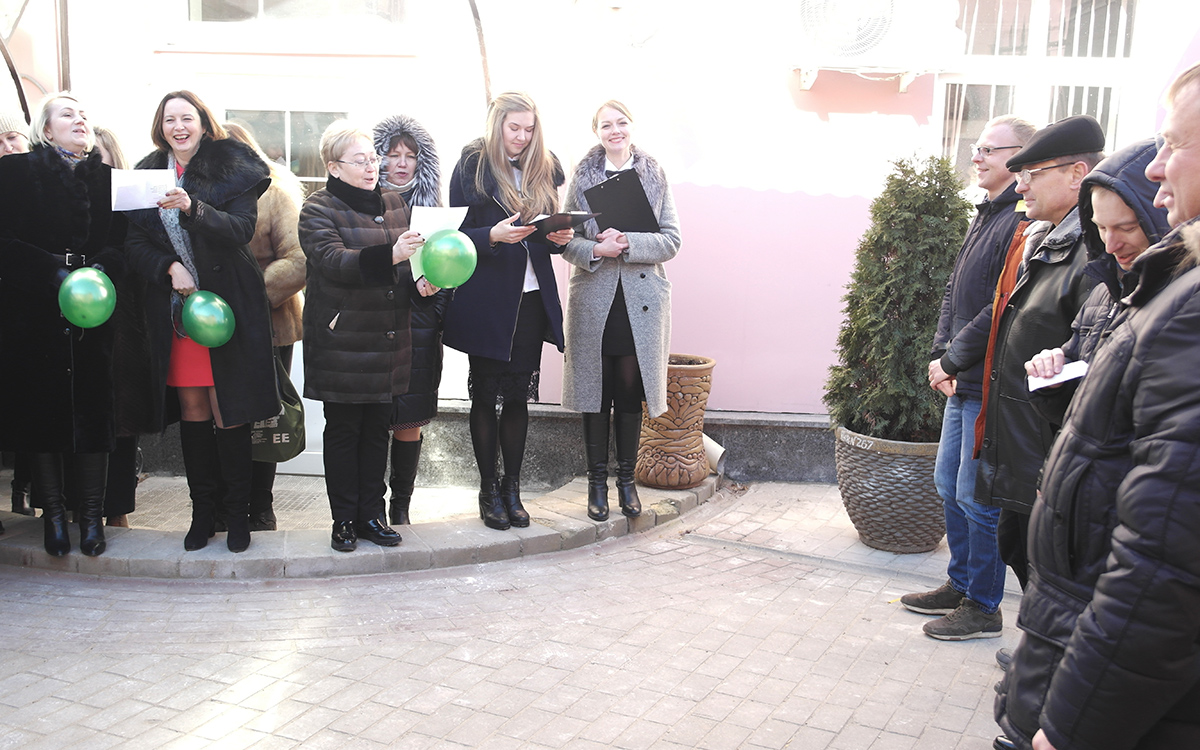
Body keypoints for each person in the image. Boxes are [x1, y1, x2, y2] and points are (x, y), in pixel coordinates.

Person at [994, 62, 1200, 750]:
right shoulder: (1145, 292)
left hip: (1101, 670)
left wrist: (1072, 725)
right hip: (1070, 628)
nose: (1159, 168)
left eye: (1177, 144)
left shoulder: (1184, 307)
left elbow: (1163, 566)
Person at [901, 115, 1035, 640]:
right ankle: (960, 584)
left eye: (988, 149)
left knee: (978, 498)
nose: (976, 156)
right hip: (962, 377)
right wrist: (941, 355)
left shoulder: (1020, 221)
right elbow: (954, 293)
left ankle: (983, 604)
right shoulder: (986, 213)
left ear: (1019, 157)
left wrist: (953, 360)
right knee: (948, 486)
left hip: (987, 381)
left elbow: (1000, 307)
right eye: (976, 148)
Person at [125, 90, 276, 554]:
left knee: (227, 412)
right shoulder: (148, 172)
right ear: (161, 127)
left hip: (228, 310)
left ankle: (237, 515)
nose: (179, 127)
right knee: (193, 410)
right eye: (169, 119)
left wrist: (193, 207)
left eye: (186, 117)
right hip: (178, 314)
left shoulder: (232, 164)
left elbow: (241, 229)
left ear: (203, 123)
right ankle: (202, 513)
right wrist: (169, 268)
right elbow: (134, 243)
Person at [973, 115, 1105, 602]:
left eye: (1032, 173)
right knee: (1018, 550)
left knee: (1049, 578)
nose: (1021, 185)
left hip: (1046, 454)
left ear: (1076, 174)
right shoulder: (1043, 238)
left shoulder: (1094, 252)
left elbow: (1088, 368)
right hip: (1022, 445)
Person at [299, 121, 437, 552]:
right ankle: (343, 520)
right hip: (342, 341)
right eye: (360, 161)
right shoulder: (317, 209)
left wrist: (421, 284)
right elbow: (333, 261)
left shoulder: (394, 203)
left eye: (372, 159)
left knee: (378, 430)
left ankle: (372, 516)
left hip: (387, 339)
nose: (371, 167)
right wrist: (392, 254)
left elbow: (403, 268)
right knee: (344, 432)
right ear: (334, 167)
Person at [0, 93, 126, 555]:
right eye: (67, 113)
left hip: (94, 309)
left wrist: (99, 272)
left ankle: (91, 519)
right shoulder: (15, 172)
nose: (79, 119)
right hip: (33, 309)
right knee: (41, 413)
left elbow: (121, 242)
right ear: (46, 129)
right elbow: (4, 240)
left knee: (94, 413)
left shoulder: (109, 180)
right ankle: (54, 517)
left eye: (84, 114)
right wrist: (52, 274)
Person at [443, 92, 572, 531]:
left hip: (533, 298)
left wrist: (557, 238)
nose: (522, 136)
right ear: (496, 124)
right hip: (488, 298)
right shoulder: (473, 166)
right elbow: (455, 233)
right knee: (485, 396)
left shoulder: (544, 167)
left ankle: (512, 490)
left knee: (518, 397)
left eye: (529, 129)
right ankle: (487, 490)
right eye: (514, 127)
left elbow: (544, 237)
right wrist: (491, 236)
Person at [560, 100, 681, 521]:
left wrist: (628, 241)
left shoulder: (654, 174)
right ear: (596, 132)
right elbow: (565, 242)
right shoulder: (582, 176)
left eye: (621, 123)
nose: (615, 131)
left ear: (632, 126)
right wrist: (597, 249)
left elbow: (672, 240)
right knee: (595, 391)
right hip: (595, 298)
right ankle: (596, 484)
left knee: (629, 389)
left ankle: (626, 482)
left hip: (641, 301)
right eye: (606, 125)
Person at [1022, 137, 1171, 423]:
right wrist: (1054, 378)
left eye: (1126, 228)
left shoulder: (1180, 297)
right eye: (1101, 228)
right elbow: (1077, 402)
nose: (1111, 245)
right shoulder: (1105, 290)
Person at [224, 120, 307, 532]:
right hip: (214, 325)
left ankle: (261, 505)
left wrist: (249, 295)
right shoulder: (198, 195)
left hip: (270, 323)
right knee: (223, 419)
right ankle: (225, 503)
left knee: (266, 419)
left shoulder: (275, 193)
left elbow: (298, 259)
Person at [373, 113, 452, 525]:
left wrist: (434, 301)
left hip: (419, 325)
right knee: (371, 422)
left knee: (410, 420)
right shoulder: (364, 206)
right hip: (373, 323)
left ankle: (400, 506)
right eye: (393, 154)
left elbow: (451, 269)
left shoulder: (433, 211)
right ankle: (371, 506)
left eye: (410, 155)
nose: (401, 163)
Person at [93, 125, 153, 531]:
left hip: (124, 320)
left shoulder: (131, 195)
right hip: (79, 317)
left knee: (122, 418)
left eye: (99, 155)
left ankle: (117, 507)